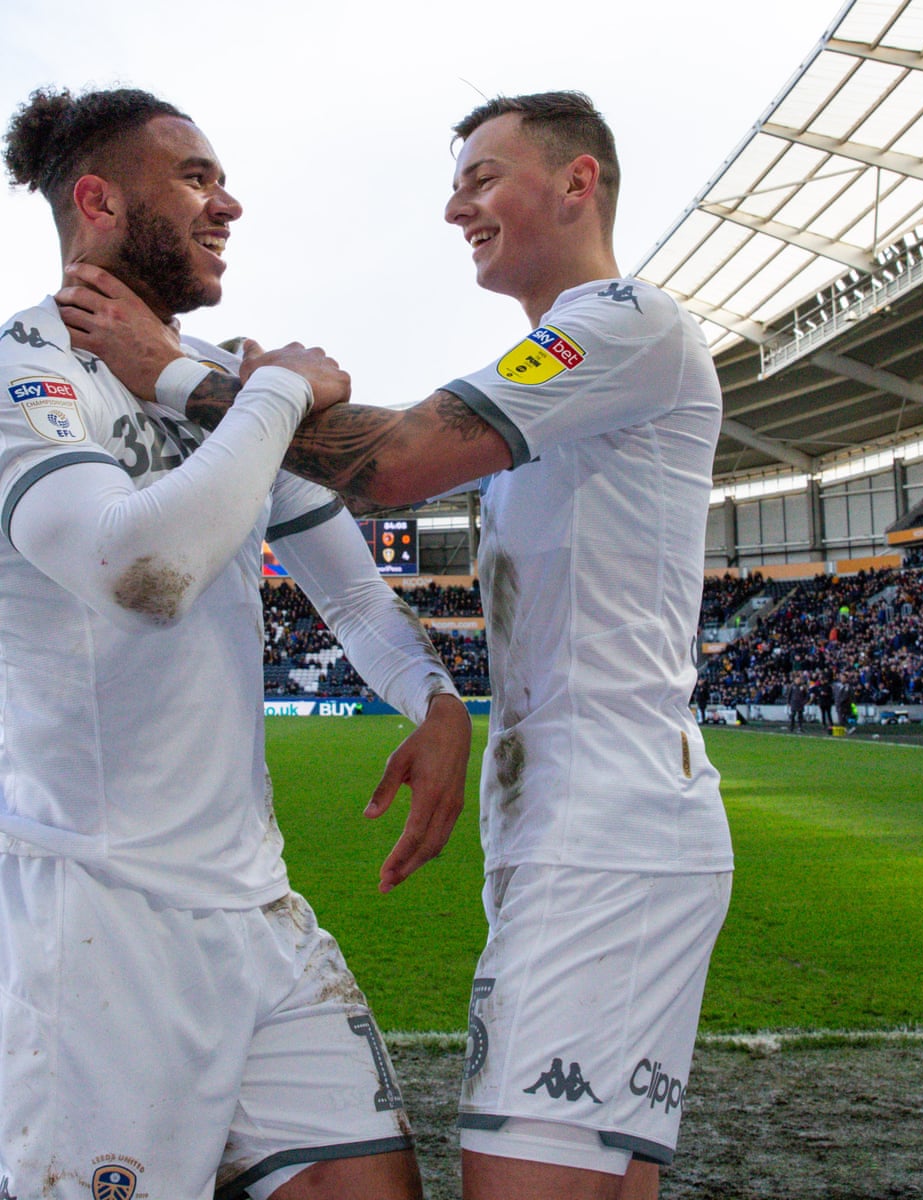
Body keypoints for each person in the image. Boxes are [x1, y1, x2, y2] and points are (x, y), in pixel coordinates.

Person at [61, 91, 733, 1200]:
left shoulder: (627, 323)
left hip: (610, 831)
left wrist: (181, 372)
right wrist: (439, 700)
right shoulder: (570, 361)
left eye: (482, 178)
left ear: (578, 181)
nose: (456, 208)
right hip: (580, 823)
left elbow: (399, 462)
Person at [0, 87, 473, 1200]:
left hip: (260, 908)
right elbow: (141, 573)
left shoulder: (214, 382)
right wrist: (279, 392)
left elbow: (352, 594)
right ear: (99, 201)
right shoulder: (28, 369)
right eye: (196, 178)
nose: (229, 204)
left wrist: (437, 700)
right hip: (100, 917)